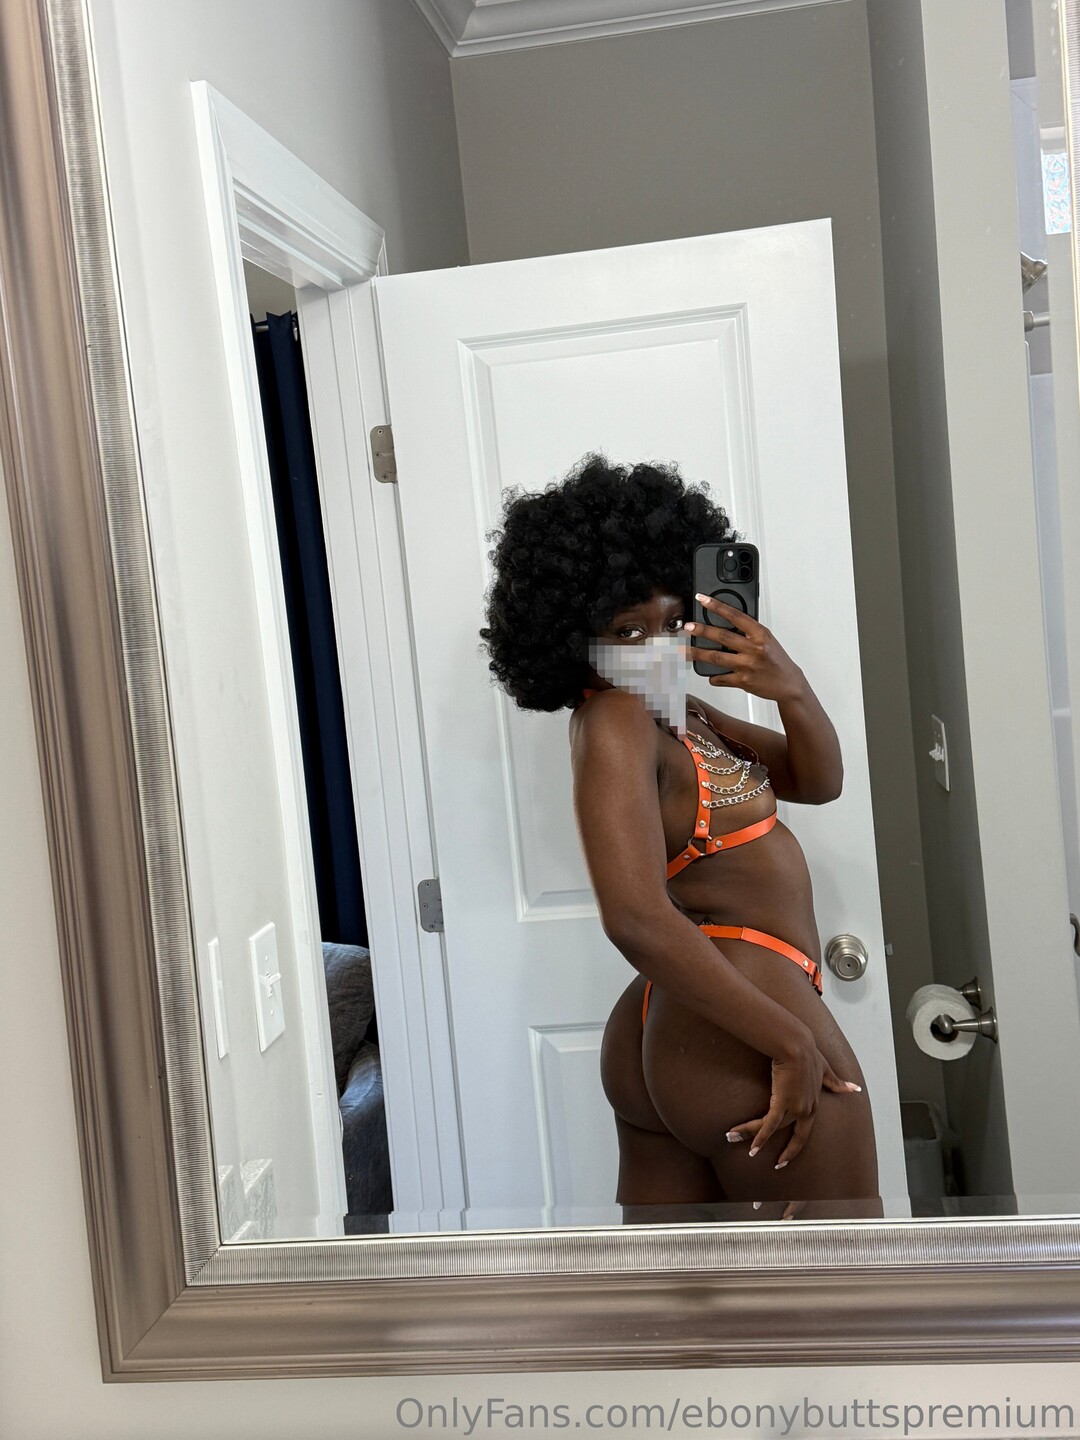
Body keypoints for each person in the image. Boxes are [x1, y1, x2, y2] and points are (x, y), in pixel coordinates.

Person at [479, 455, 880, 1219]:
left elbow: (819, 779)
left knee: (682, 1288)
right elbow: (633, 915)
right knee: (844, 1279)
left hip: (688, 1024)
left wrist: (790, 686)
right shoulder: (615, 719)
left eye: (671, 622)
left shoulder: (679, 713)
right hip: (742, 1023)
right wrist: (788, 1039)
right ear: (575, 635)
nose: (658, 647)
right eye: (629, 630)